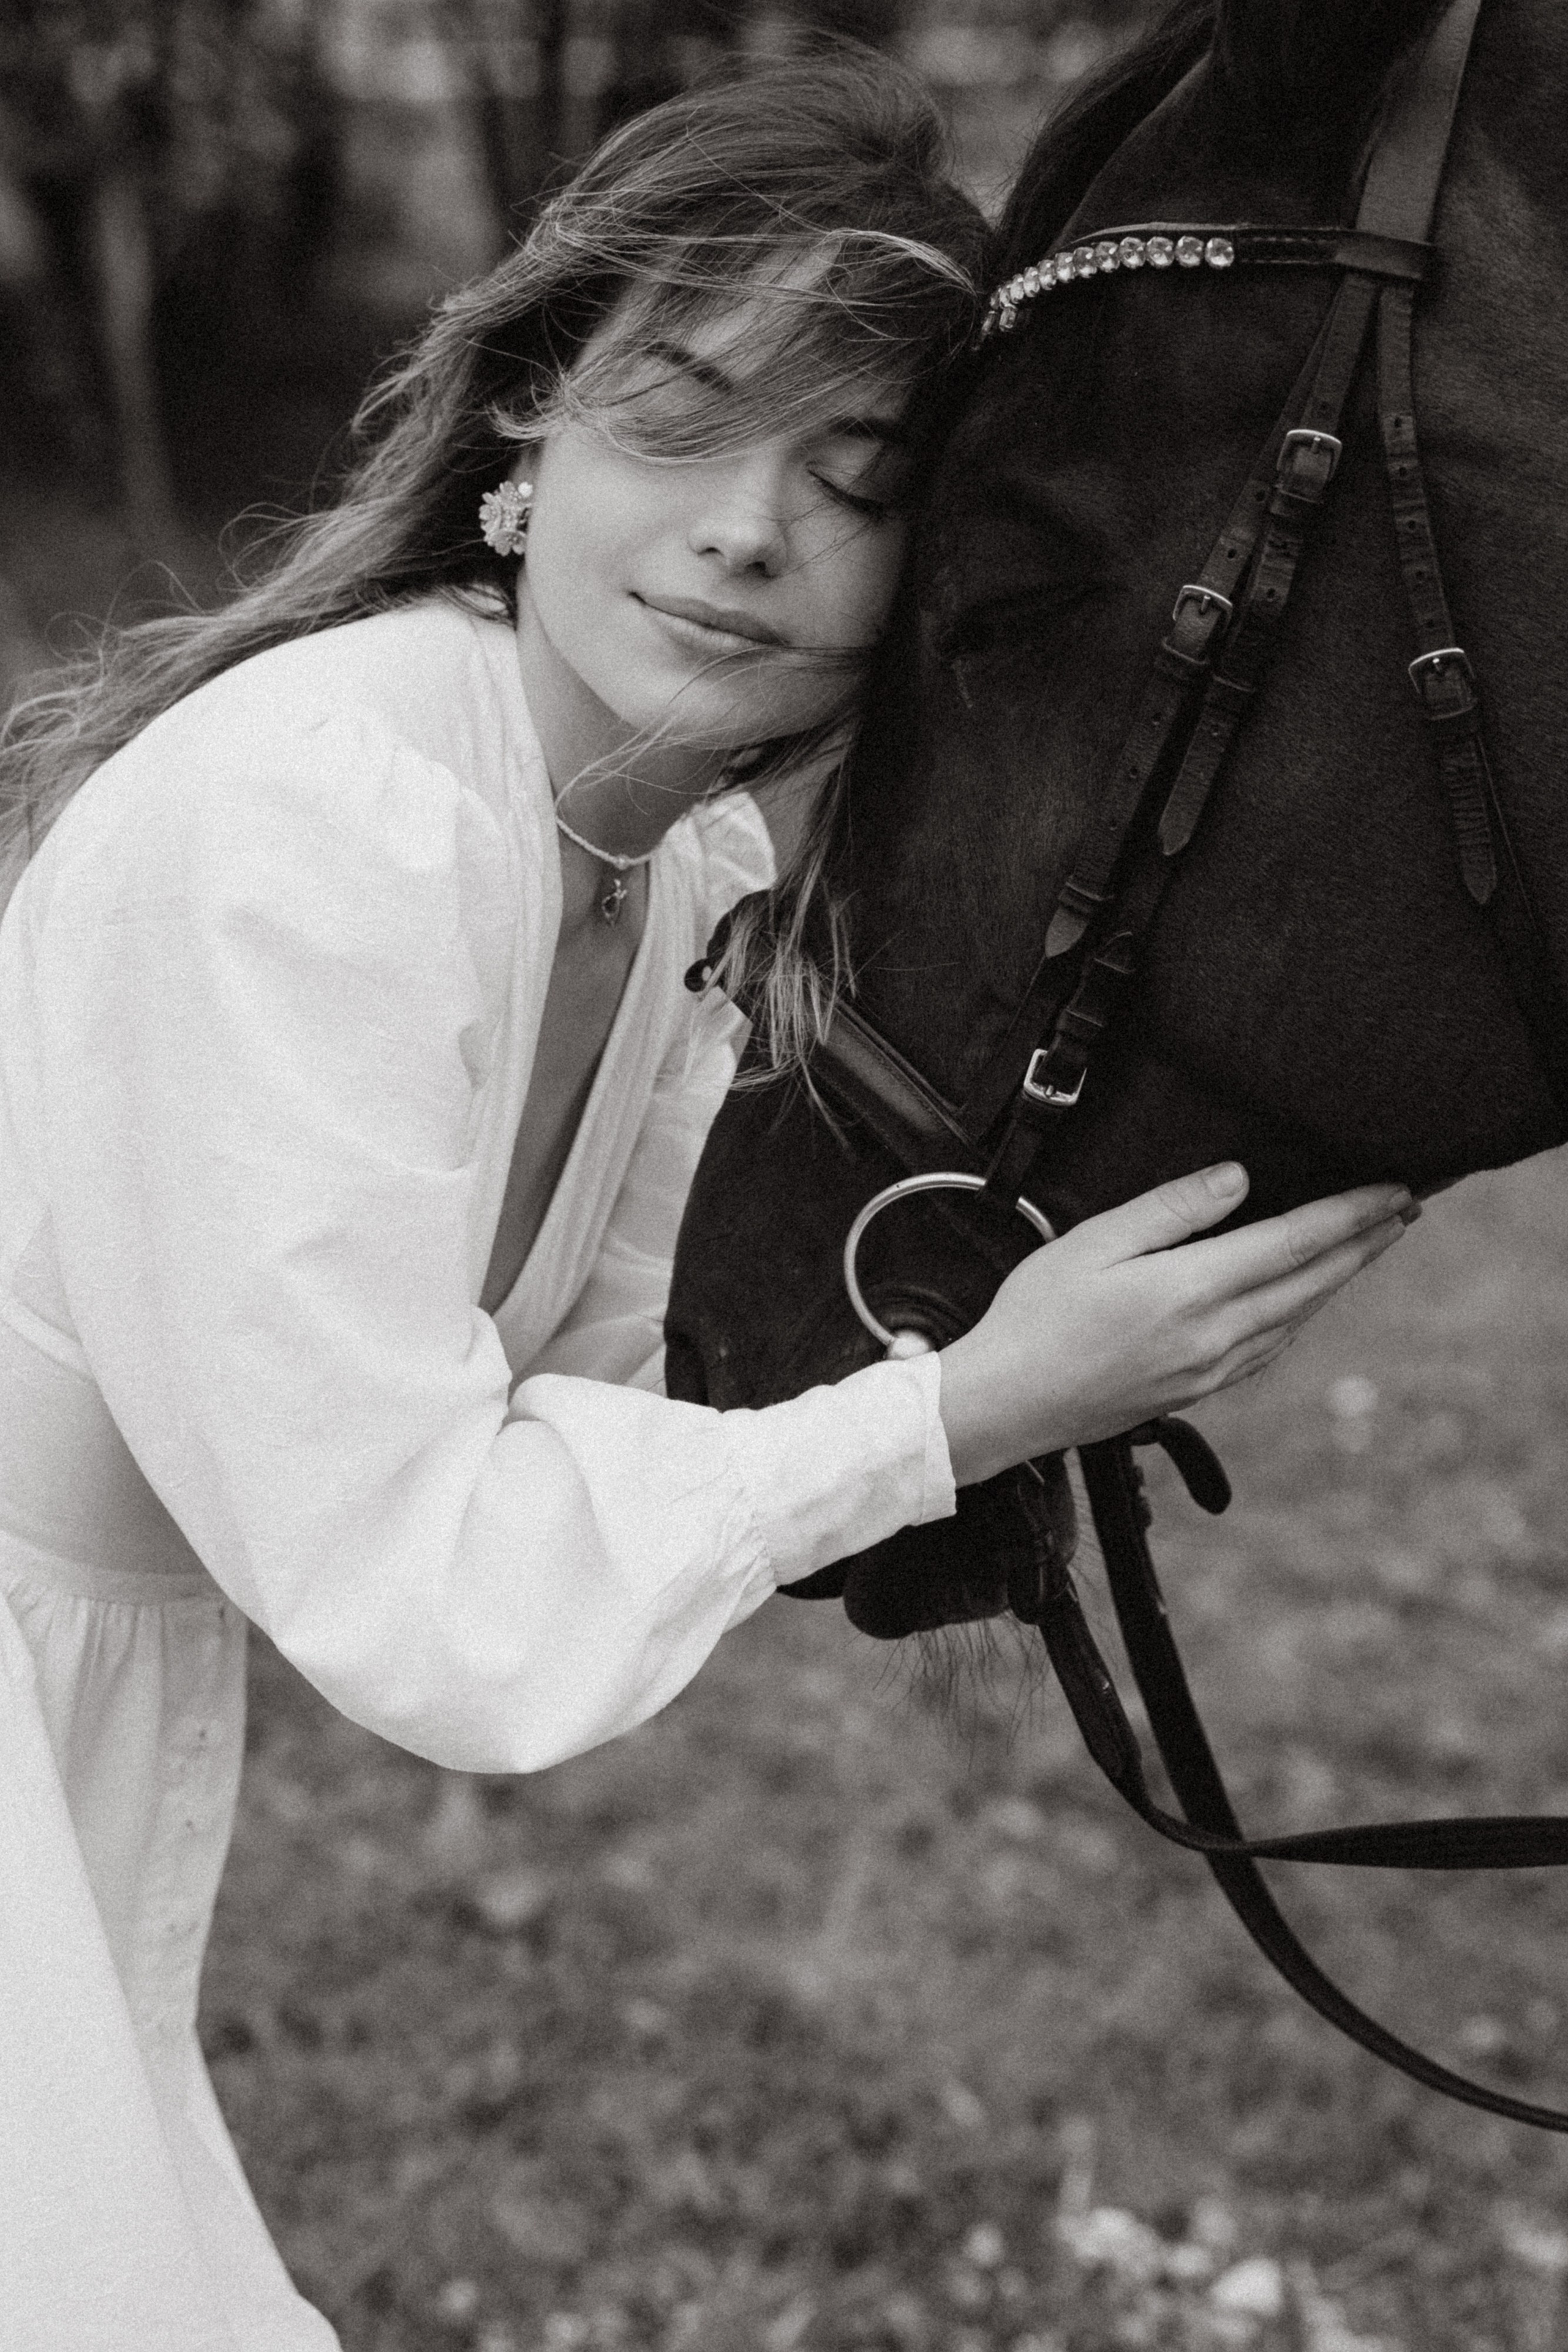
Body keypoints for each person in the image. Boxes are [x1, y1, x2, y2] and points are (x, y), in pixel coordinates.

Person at [0, 53, 1415, 2352]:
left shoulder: (671, 873)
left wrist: (1031, 1336)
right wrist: (962, 1411)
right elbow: (425, 1576)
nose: (749, 529)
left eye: (855, 483)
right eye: (678, 420)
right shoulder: (330, 816)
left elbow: (606, 1408)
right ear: (526, 436)